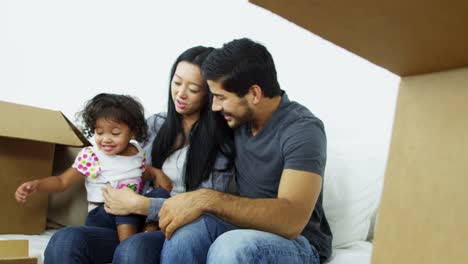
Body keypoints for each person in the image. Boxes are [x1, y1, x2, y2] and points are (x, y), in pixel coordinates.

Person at [103, 38, 333, 263]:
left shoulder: (302, 130)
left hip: (297, 242)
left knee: (230, 246)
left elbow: (291, 221)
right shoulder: (238, 121)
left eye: (221, 98)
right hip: (243, 226)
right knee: (185, 233)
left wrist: (207, 199)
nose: (214, 107)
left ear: (254, 94)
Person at [43, 46, 235, 264]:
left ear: (209, 93)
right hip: (130, 220)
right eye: (177, 82)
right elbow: (123, 157)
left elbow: (208, 208)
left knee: (132, 249)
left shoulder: (221, 143)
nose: (180, 94)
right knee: (64, 240)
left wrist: (141, 205)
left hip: (176, 228)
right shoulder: (155, 125)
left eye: (193, 89)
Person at [15, 93, 148, 241]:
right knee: (124, 207)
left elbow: (139, 172)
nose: (106, 139)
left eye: (115, 133)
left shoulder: (137, 151)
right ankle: (128, 246)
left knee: (154, 196)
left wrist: (156, 174)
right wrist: (37, 185)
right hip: (102, 215)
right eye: (99, 132)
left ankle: (141, 239)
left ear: (133, 133)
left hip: (134, 211)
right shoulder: (92, 156)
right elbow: (62, 181)